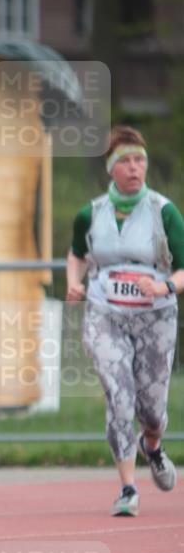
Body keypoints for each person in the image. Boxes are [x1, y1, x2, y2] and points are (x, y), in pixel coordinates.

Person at [66, 125, 183, 516]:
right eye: (127, 161)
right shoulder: (91, 213)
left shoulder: (163, 211)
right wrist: (73, 282)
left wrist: (164, 287)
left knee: (151, 408)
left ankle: (152, 444)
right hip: (106, 314)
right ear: (111, 168)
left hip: (155, 319)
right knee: (120, 397)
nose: (135, 168)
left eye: (140, 160)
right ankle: (128, 488)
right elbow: (77, 253)